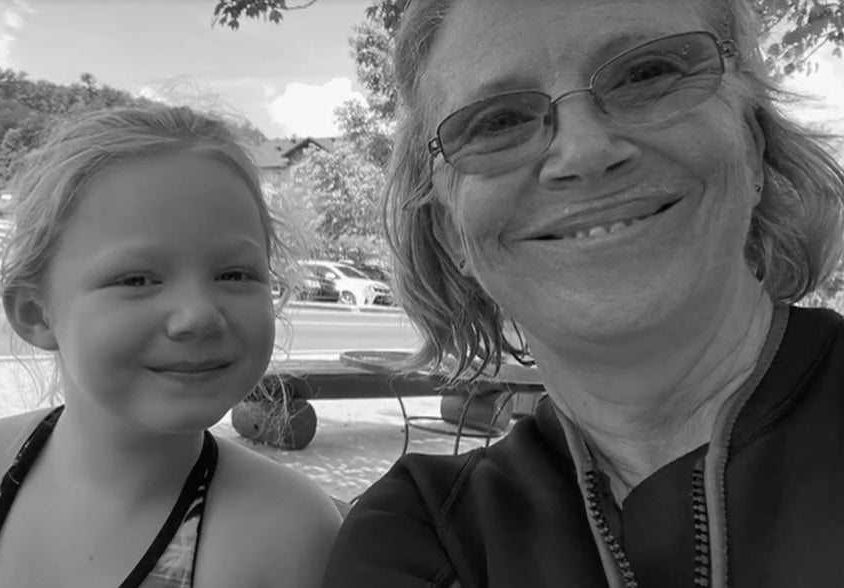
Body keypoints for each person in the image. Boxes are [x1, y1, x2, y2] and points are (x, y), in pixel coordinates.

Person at [323, 0, 844, 586]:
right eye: (498, 122)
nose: (585, 153)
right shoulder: (422, 536)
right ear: (451, 231)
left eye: (646, 74)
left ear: (752, 145)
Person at [0, 106, 341, 588]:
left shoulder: (293, 536)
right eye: (137, 279)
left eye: (234, 274)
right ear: (35, 312)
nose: (199, 315)